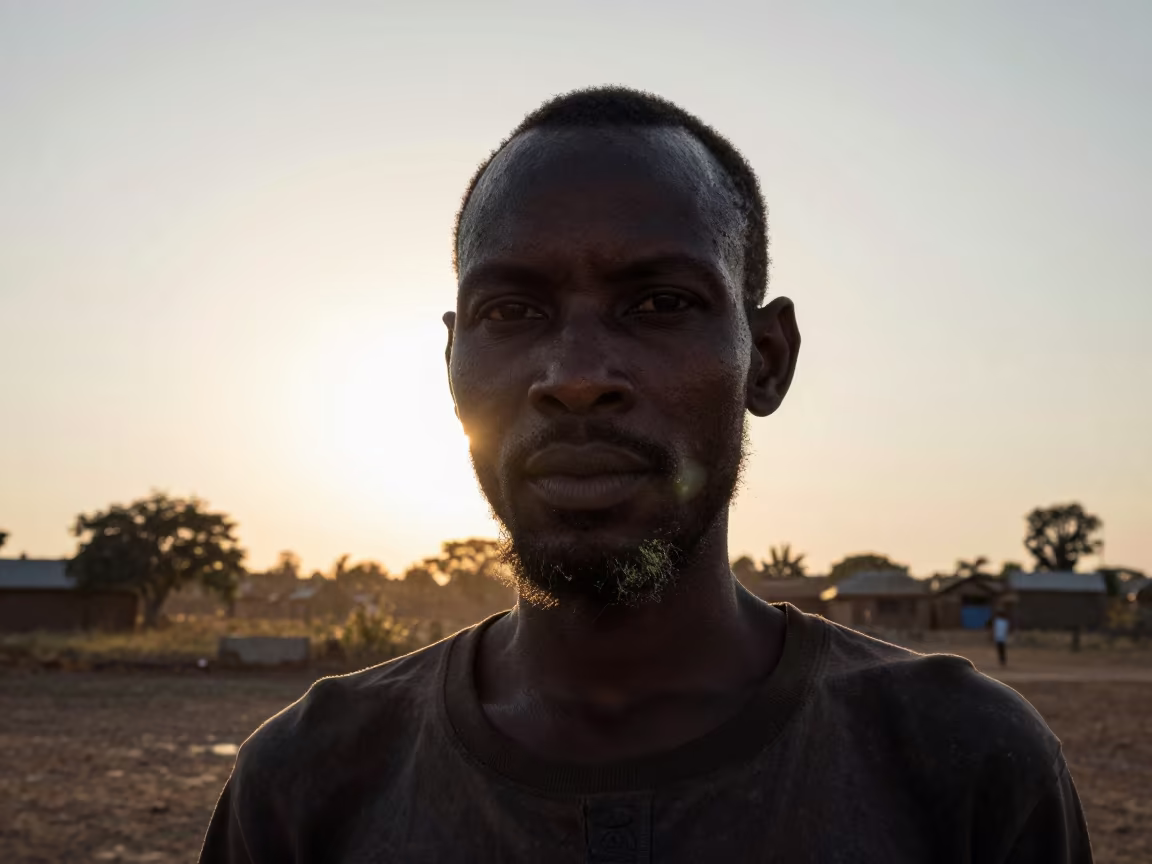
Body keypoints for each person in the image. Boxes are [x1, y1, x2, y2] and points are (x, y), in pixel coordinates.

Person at [200, 87, 1092, 863]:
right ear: (451, 366)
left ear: (767, 361)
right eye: (511, 311)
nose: (576, 375)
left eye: (660, 303)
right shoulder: (307, 781)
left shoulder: (964, 764)